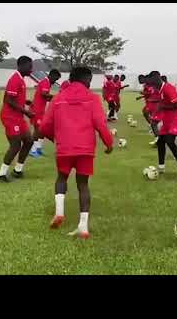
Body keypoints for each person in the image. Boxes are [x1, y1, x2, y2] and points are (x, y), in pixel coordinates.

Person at [40, 67, 113, 239]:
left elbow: (44, 126)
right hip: (85, 149)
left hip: (64, 148)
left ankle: (59, 212)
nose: (90, 83)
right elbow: (100, 124)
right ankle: (83, 226)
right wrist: (108, 144)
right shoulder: (92, 98)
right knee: (83, 185)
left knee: (61, 178)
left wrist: (55, 139)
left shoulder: (58, 98)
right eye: (89, 80)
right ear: (86, 79)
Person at [0, 56, 35, 182]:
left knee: (29, 141)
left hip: (18, 117)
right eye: (29, 67)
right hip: (10, 117)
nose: (31, 69)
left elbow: (15, 98)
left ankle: (18, 170)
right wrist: (26, 112)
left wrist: (25, 101)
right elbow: (8, 100)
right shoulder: (15, 79)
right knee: (16, 144)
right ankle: (1, 175)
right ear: (21, 65)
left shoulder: (21, 79)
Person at [146, 71, 177, 175]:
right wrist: (155, 116)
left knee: (169, 140)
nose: (152, 86)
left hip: (176, 119)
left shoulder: (169, 88)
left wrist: (163, 107)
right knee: (160, 141)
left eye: (152, 83)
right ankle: (161, 167)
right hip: (167, 119)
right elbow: (161, 103)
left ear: (157, 79)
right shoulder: (159, 90)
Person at [29, 69, 61, 157]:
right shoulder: (45, 82)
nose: (55, 81)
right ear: (52, 76)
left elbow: (46, 97)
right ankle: (32, 150)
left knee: (43, 130)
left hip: (41, 110)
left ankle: (38, 148)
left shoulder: (47, 83)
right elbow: (44, 95)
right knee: (38, 130)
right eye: (55, 79)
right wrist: (57, 97)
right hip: (37, 110)